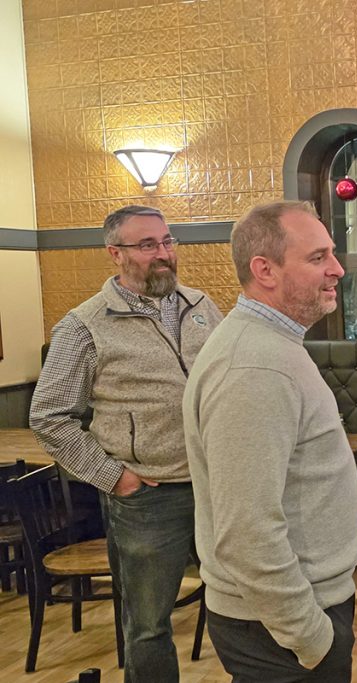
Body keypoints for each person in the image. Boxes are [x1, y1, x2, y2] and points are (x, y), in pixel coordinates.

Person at [30, 204, 223, 682]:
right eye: (147, 245)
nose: (163, 254)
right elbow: (48, 416)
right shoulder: (84, 326)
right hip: (147, 499)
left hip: (217, 486)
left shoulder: (202, 307)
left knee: (236, 601)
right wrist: (116, 478)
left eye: (167, 242)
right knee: (148, 627)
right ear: (115, 253)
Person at [182, 200, 357, 681]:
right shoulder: (254, 366)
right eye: (318, 257)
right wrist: (310, 637)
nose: (337, 269)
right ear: (264, 269)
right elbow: (246, 534)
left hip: (288, 615)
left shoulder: (271, 347)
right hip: (278, 627)